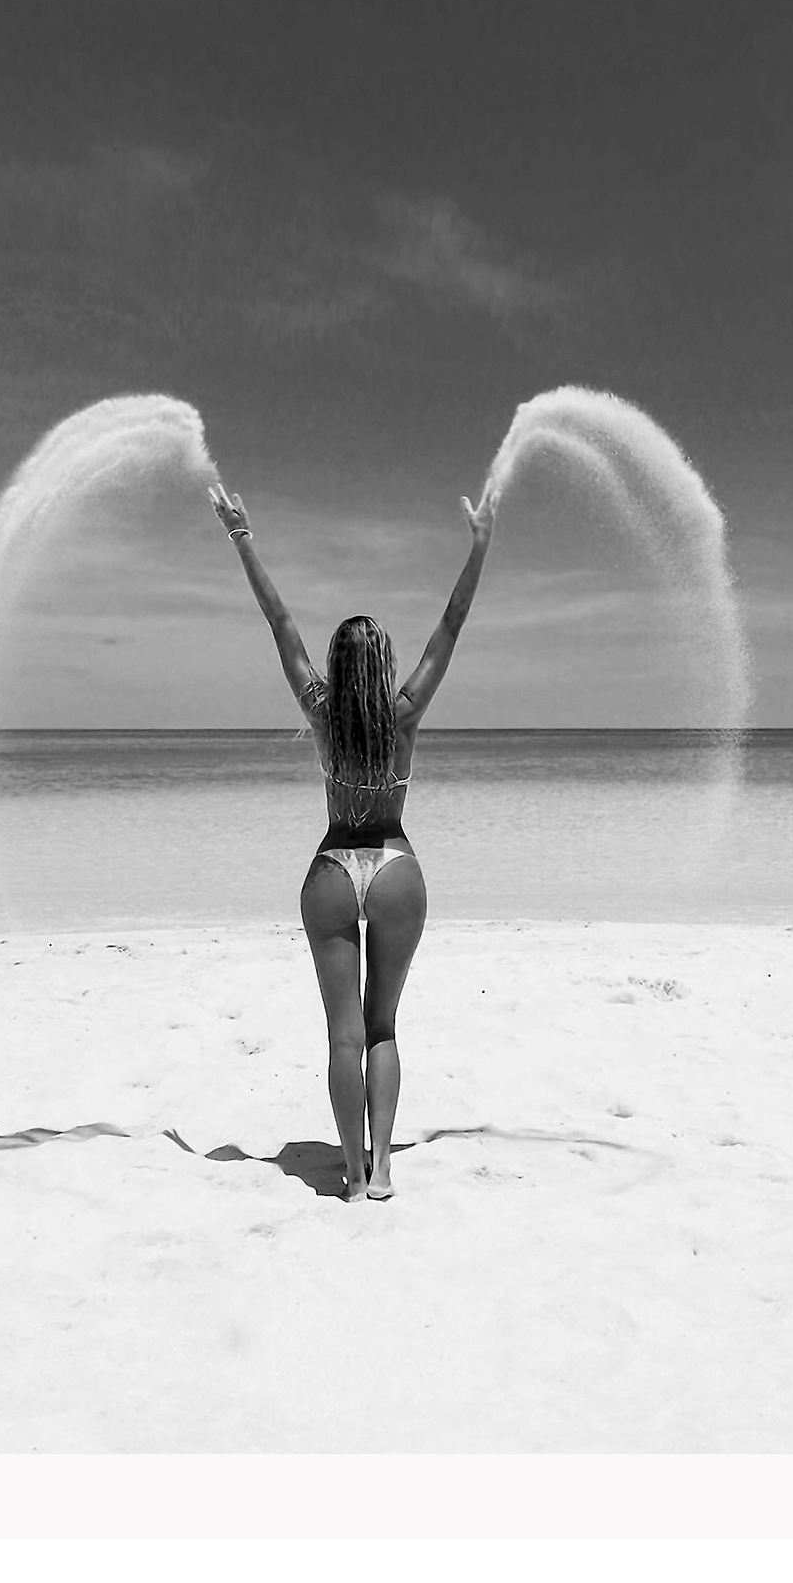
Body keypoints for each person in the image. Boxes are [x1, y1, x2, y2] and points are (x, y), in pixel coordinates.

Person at [209, 481, 497, 1201]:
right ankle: (387, 1171)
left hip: (334, 869)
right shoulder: (405, 714)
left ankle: (352, 1168)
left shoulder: (321, 713)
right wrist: (480, 545)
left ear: (339, 667)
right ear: (387, 666)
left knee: (342, 1035)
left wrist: (242, 537)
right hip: (395, 865)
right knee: (382, 1029)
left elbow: (279, 623)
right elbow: (451, 627)